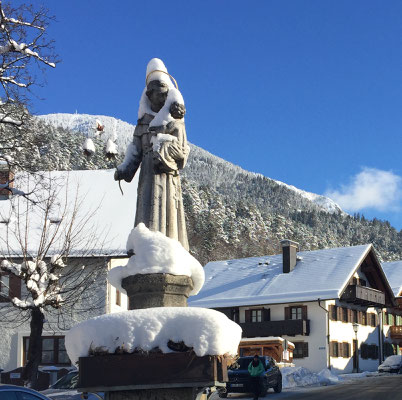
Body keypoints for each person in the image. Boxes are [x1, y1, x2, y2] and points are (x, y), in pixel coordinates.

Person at [114, 58, 190, 250]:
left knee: (169, 214)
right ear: (149, 95)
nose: (161, 98)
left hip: (168, 175)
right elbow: (135, 151)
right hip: (148, 174)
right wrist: (125, 169)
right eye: (157, 94)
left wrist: (166, 151)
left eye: (164, 94)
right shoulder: (142, 124)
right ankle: (147, 250)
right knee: (147, 209)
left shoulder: (175, 121)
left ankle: (169, 250)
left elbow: (183, 152)